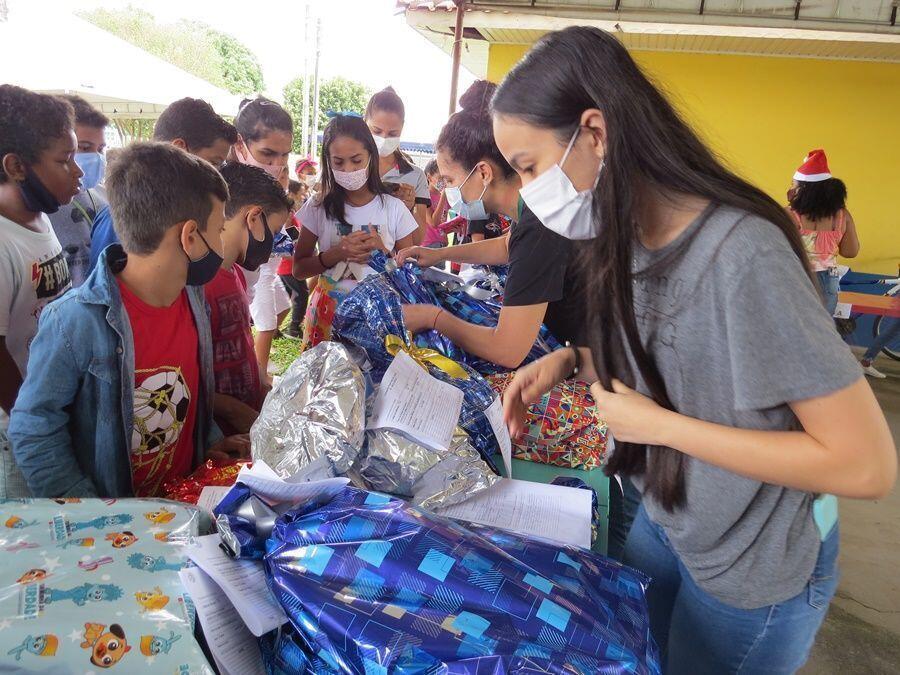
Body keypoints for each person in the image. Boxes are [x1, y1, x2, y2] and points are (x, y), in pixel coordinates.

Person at [494, 26, 896, 673]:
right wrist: (572, 361)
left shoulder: (742, 255)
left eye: (529, 167)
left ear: (594, 134)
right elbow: (682, 360)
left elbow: (865, 465)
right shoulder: (625, 236)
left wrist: (663, 428)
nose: (528, 193)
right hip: (670, 518)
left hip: (749, 567)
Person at [9, 142, 250, 498]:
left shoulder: (193, 298)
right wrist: (91, 512)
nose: (220, 241)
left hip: (178, 509)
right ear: (189, 237)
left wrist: (208, 444)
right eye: (217, 230)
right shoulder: (74, 321)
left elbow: (190, 393)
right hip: (118, 532)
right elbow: (34, 428)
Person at [397, 80, 584, 368]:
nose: (447, 191)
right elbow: (508, 245)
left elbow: (507, 351)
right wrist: (439, 254)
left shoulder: (541, 227)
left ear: (483, 172)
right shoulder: (531, 208)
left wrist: (432, 317)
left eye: (450, 180)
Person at [0, 86, 79, 498]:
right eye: (64, 161)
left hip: (49, 408)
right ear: (16, 166)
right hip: (17, 428)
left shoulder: (39, 219)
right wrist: (31, 418)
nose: (79, 172)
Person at [292, 113, 418, 349]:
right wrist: (335, 254)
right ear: (328, 161)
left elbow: (411, 278)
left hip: (379, 322)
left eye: (356, 160)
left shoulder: (393, 208)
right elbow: (298, 269)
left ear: (371, 155)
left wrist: (383, 255)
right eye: (338, 162)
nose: (348, 169)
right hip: (327, 321)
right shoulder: (318, 206)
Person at [88, 97, 238, 271]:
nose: (219, 174)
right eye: (214, 163)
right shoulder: (121, 215)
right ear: (180, 149)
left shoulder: (177, 211)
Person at [207, 163, 292, 434]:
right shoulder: (203, 285)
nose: (273, 242)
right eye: (275, 232)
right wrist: (235, 411)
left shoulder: (237, 274)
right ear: (253, 218)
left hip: (243, 424)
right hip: (218, 433)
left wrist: (261, 383)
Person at [232, 97, 295, 378]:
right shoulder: (227, 188)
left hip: (259, 274)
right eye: (267, 153)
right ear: (240, 144)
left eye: (284, 155)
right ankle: (257, 376)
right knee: (265, 321)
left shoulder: (272, 184)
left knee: (277, 309)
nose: (276, 164)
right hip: (240, 280)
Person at [786, 149, 860, 317]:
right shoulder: (842, 215)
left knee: (795, 327)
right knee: (822, 329)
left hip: (796, 277)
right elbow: (850, 251)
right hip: (829, 281)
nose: (791, 187)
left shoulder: (789, 215)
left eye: (794, 184)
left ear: (803, 189)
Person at [49, 95, 109, 287]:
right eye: (84, 148)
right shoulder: (39, 206)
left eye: (101, 149)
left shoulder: (106, 197)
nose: (96, 157)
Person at [364, 87, 430, 241]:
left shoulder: (415, 176)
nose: (384, 138)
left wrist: (410, 207)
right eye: (377, 131)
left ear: (402, 127)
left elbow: (418, 240)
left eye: (393, 133)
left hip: (393, 262)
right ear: (364, 122)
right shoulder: (351, 169)